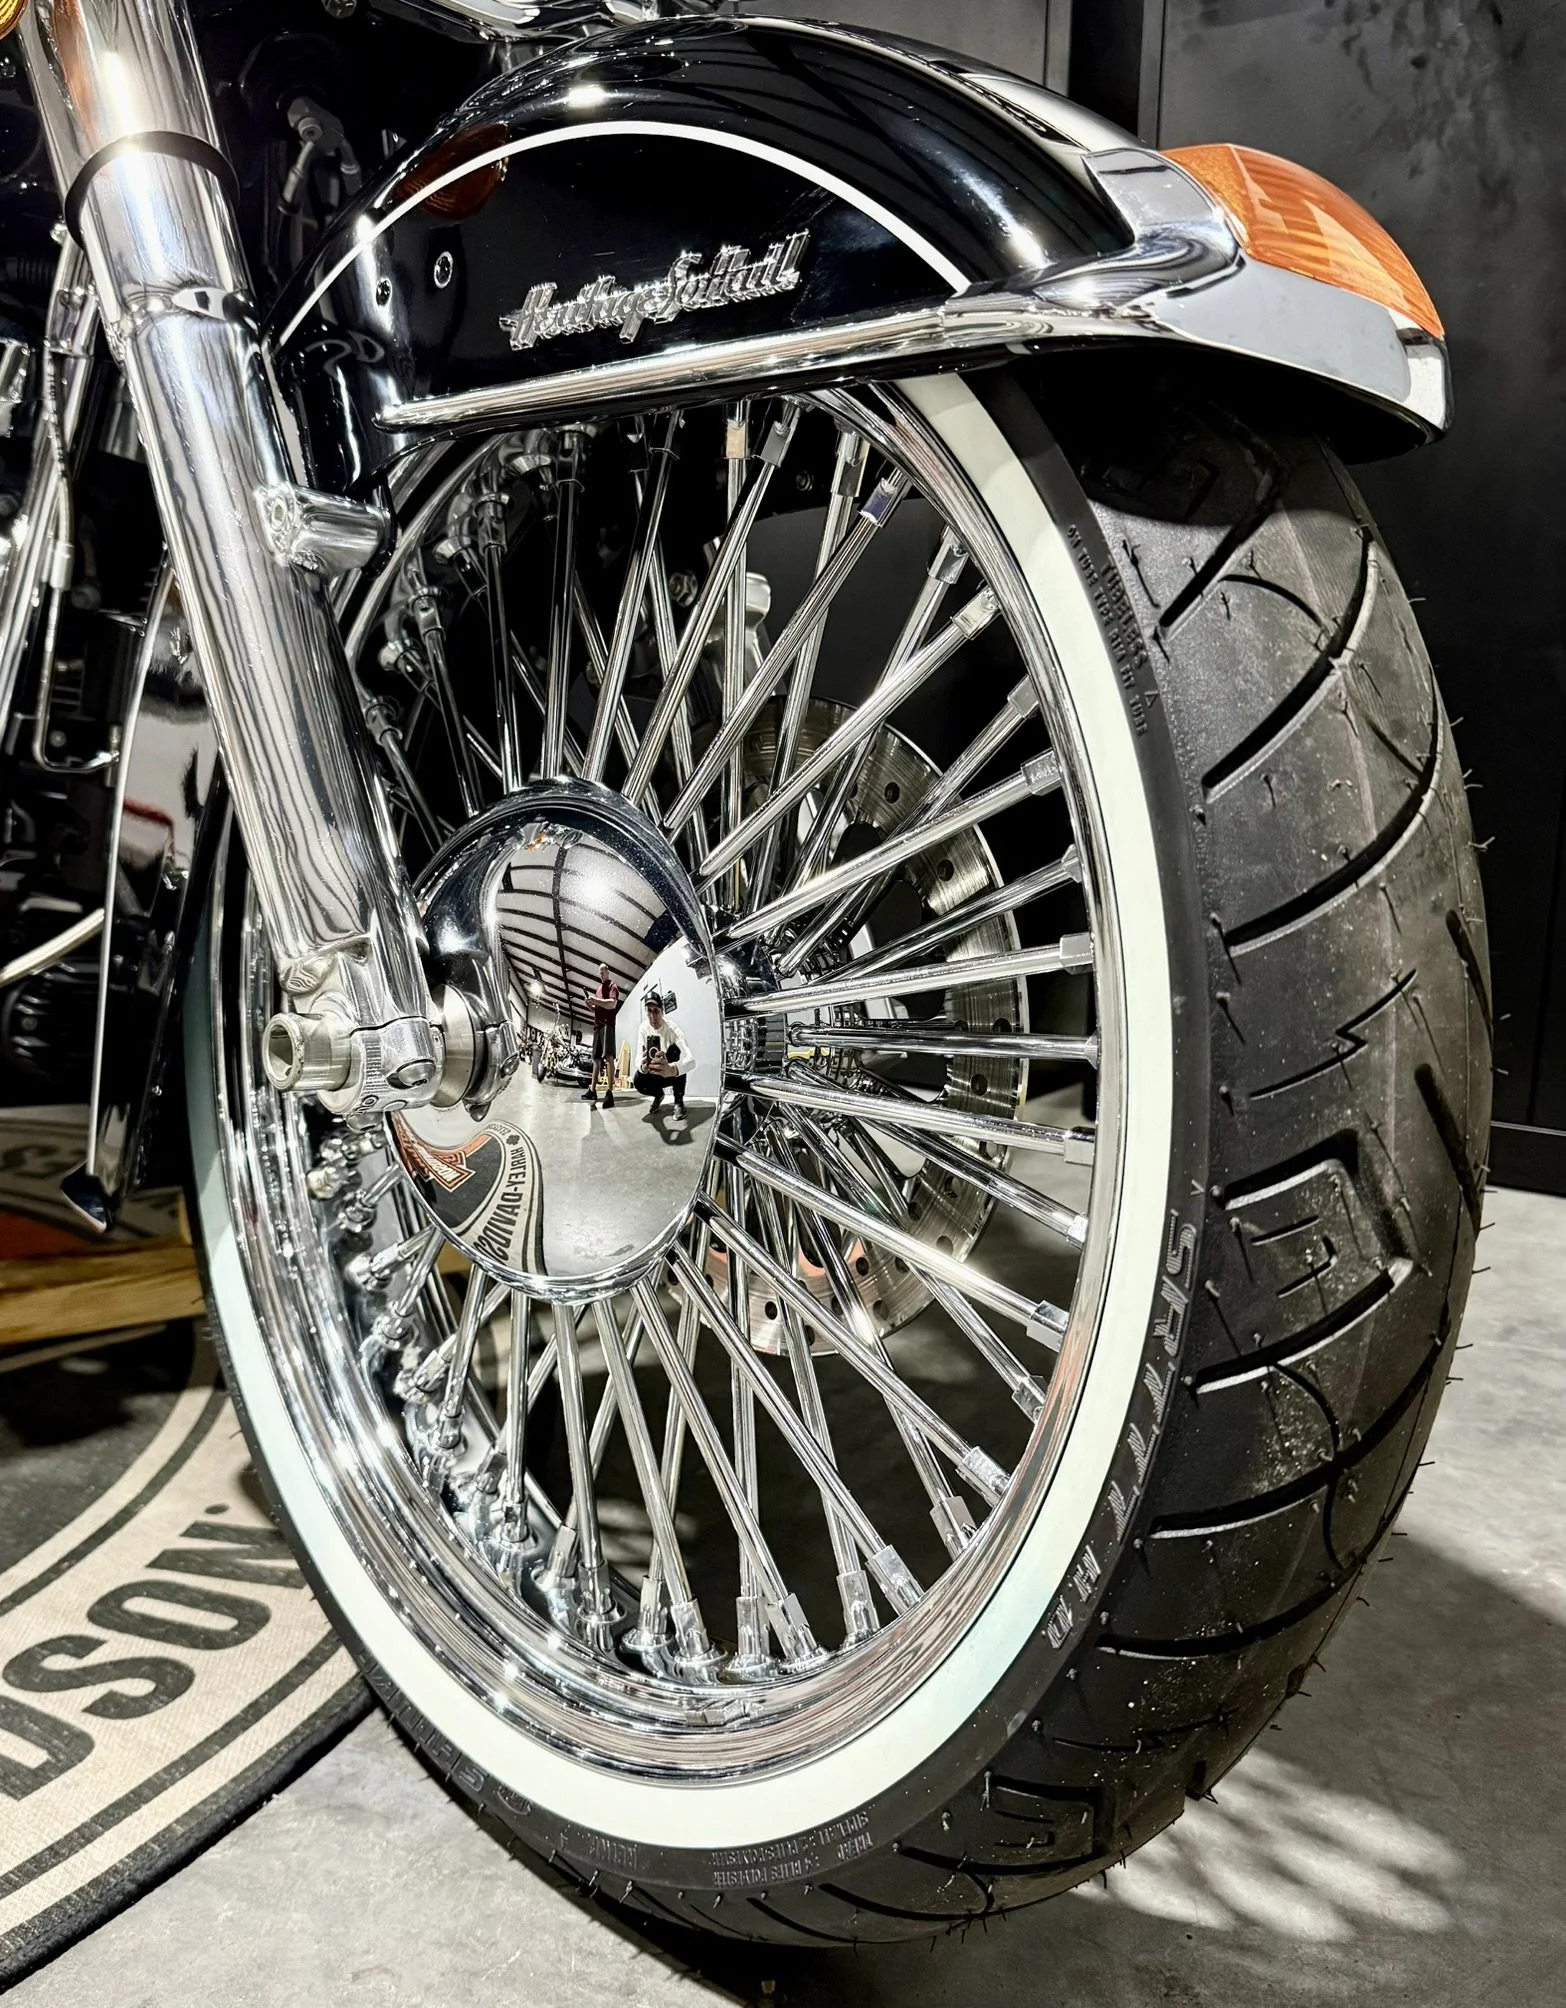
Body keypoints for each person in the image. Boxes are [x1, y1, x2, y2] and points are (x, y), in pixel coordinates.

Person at [632, 990, 692, 1116]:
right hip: (652, 1072)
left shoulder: (672, 1028)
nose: (652, 1017)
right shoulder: (643, 1028)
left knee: (676, 1052)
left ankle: (678, 1100)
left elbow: (691, 1059)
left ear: (662, 1011)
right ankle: (658, 1095)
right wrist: (643, 1066)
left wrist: (673, 1069)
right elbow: (637, 1057)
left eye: (656, 1011)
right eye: (649, 1011)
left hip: (669, 1073)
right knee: (637, 1080)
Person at [583, 963, 620, 1109]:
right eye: (599, 973)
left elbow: (612, 1004)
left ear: (608, 972)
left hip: (607, 1025)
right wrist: (589, 1005)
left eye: (603, 972)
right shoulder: (598, 989)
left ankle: (609, 1093)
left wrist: (596, 1001)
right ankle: (592, 1091)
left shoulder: (613, 986)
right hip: (597, 1026)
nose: (601, 974)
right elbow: (596, 1009)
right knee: (596, 1059)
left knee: (609, 1057)